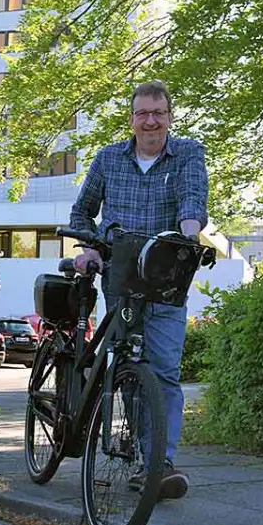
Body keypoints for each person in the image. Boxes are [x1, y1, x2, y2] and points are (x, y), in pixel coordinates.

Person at [69, 81, 208, 500]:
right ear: (131, 119)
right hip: (120, 275)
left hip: (167, 278)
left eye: (158, 113)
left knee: (163, 370)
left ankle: (158, 464)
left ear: (169, 116)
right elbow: (83, 211)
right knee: (129, 367)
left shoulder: (187, 154)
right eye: (142, 113)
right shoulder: (109, 158)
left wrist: (188, 237)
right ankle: (147, 457)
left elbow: (192, 200)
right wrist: (90, 247)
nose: (151, 120)